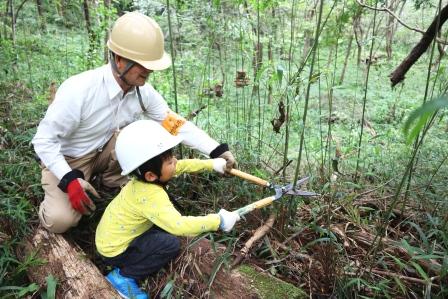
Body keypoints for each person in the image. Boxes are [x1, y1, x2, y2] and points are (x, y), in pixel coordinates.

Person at [32, 11, 236, 233]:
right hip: (70, 158)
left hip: (105, 151)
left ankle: (112, 182)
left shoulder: (143, 92)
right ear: (119, 60)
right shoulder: (80, 90)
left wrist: (216, 150)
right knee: (60, 221)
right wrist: (69, 179)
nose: (149, 70)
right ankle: (48, 202)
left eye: (151, 64)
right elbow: (43, 141)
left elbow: (175, 125)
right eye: (142, 64)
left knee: (135, 134)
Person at [95, 120, 240, 299]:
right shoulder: (151, 195)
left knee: (163, 228)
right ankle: (123, 277)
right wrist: (218, 221)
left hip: (110, 239)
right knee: (170, 243)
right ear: (150, 175)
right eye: (170, 161)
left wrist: (211, 164)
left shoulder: (143, 181)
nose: (175, 162)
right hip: (115, 251)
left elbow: (182, 165)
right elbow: (178, 225)